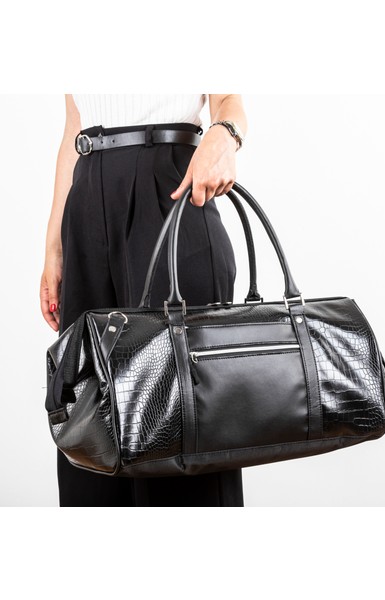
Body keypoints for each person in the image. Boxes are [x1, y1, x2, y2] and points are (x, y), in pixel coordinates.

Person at [40, 93, 248, 507]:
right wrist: (54, 248)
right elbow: (74, 128)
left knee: (178, 412)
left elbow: (228, 100)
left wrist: (224, 135)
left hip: (169, 190)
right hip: (87, 199)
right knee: (89, 416)